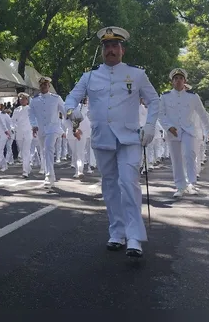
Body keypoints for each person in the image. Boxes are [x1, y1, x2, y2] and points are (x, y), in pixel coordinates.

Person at [64, 26, 159, 258]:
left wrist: (149, 126)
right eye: (106, 47)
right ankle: (117, 232)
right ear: (103, 50)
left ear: (122, 49)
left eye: (115, 46)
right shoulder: (89, 76)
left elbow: (154, 101)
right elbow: (71, 98)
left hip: (129, 138)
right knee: (110, 187)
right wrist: (71, 111)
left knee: (129, 184)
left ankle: (135, 237)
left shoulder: (137, 74)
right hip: (103, 138)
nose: (111, 50)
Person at [158, 68, 209, 197]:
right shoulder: (165, 96)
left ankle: (191, 183)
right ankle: (180, 186)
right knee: (176, 159)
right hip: (173, 131)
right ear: (172, 82)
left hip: (189, 130)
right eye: (176, 79)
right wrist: (168, 127)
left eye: (181, 78)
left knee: (190, 155)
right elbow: (161, 114)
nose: (178, 81)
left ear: (185, 81)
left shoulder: (193, 97)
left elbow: (202, 114)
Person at [28, 76, 65, 188]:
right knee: (44, 152)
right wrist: (34, 125)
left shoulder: (56, 98)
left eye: (45, 84)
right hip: (41, 129)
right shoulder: (34, 100)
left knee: (48, 149)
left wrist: (71, 125)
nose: (43, 86)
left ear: (49, 86)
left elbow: (65, 113)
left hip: (53, 128)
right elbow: (31, 114)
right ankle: (51, 176)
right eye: (41, 85)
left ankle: (48, 176)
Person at [11, 92, 33, 178]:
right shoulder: (16, 110)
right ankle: (28, 166)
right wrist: (13, 128)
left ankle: (25, 171)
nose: (22, 100)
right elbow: (12, 121)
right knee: (21, 151)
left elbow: (34, 119)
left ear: (27, 100)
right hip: (19, 133)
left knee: (26, 151)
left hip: (28, 132)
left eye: (24, 99)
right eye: (20, 99)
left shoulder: (31, 109)